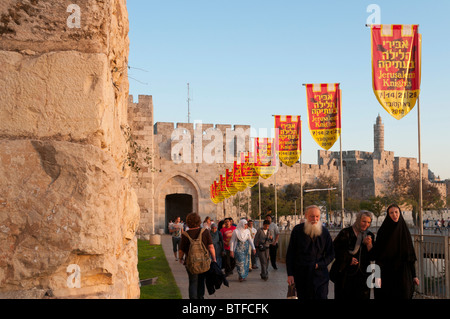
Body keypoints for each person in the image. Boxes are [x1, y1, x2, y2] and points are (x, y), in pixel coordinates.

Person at [286, 205, 335, 299]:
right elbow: (290, 254)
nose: (315, 219)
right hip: (302, 275)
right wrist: (290, 274)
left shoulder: (324, 232)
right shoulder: (297, 230)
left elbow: (331, 253)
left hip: (320, 276)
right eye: (312, 216)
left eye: (317, 216)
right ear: (306, 216)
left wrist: (319, 264)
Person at [373, 204, 419, 299]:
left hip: (403, 274)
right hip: (387, 273)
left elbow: (410, 256)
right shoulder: (383, 232)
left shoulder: (405, 232)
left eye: (396, 212)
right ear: (388, 215)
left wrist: (414, 276)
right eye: (391, 213)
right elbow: (378, 256)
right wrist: (378, 276)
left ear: (400, 213)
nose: (394, 215)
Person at [330, 211, 375, 299]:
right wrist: (348, 259)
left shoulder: (369, 235)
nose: (366, 224)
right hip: (345, 275)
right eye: (364, 221)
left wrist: (369, 244)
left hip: (363, 276)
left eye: (368, 222)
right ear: (358, 220)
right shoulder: (345, 233)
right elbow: (335, 250)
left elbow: (372, 257)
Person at [179, 212, 216, 299]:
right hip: (203, 261)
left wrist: (180, 258)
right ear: (199, 221)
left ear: (188, 222)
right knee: (201, 281)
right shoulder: (205, 232)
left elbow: (181, 250)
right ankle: (200, 297)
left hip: (190, 262)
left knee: (192, 282)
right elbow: (211, 247)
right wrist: (214, 258)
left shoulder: (185, 234)